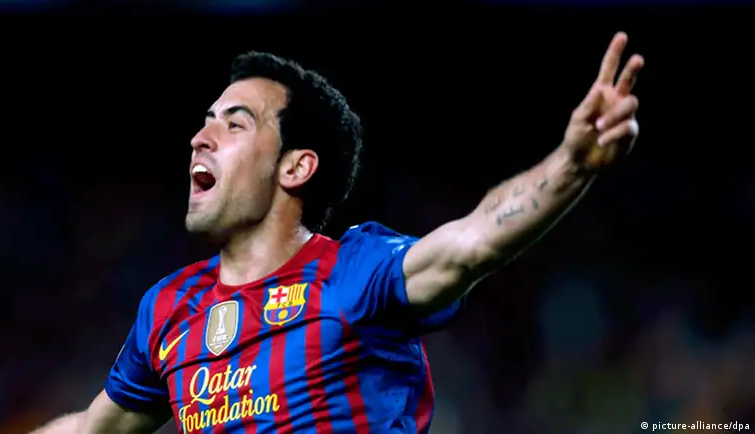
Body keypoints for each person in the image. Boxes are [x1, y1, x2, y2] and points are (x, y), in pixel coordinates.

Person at [31, 32, 643, 434]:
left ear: (295, 167)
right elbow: (91, 428)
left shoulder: (352, 274)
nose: (200, 138)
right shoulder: (169, 309)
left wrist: (571, 164)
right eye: (205, 121)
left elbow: (473, 242)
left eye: (234, 124)